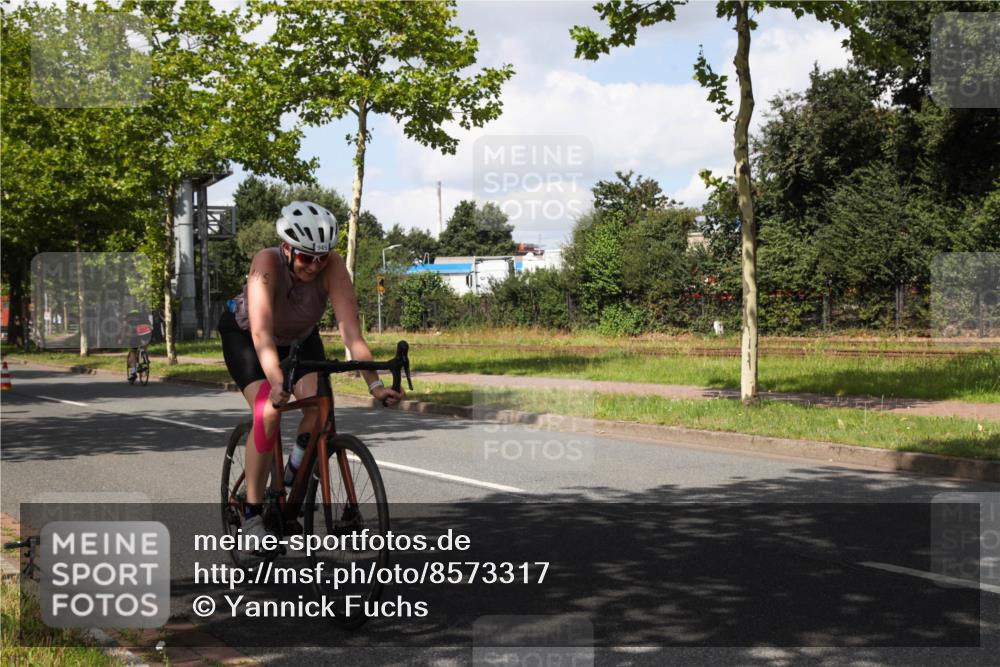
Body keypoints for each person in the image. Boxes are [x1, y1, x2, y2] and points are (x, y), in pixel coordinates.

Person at [218, 201, 404, 541]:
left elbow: (352, 334)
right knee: (267, 411)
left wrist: (375, 385)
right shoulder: (266, 263)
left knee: (319, 408)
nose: (315, 266)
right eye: (306, 257)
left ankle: (291, 475)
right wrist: (277, 382)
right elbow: (261, 333)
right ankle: (252, 516)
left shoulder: (332, 266)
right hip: (247, 337)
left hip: (299, 339)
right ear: (287, 249)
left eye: (322, 257)